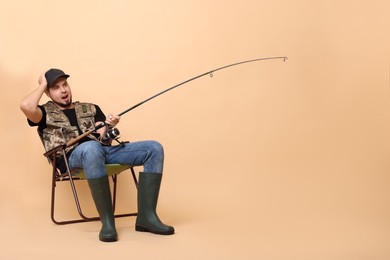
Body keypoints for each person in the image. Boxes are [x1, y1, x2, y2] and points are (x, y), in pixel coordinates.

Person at [20, 68, 174, 242]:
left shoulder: (91, 108)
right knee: (91, 148)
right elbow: (26, 106)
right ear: (47, 92)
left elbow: (104, 140)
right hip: (71, 159)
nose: (63, 90)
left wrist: (107, 127)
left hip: (101, 152)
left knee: (154, 148)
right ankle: (108, 223)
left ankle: (147, 217)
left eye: (65, 85)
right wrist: (43, 84)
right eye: (55, 87)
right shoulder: (42, 113)